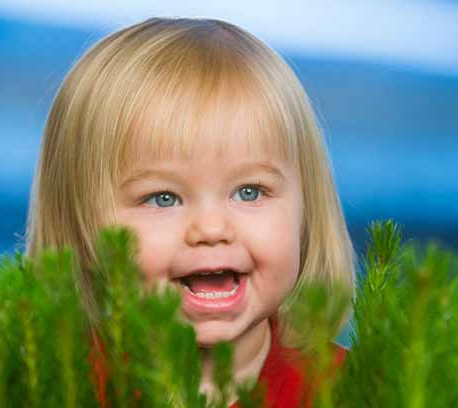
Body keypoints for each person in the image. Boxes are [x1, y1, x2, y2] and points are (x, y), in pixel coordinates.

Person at [25, 17, 355, 407]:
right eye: (163, 198)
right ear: (79, 226)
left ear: (306, 209)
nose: (212, 229)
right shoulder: (52, 386)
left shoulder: (354, 390)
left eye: (249, 192)